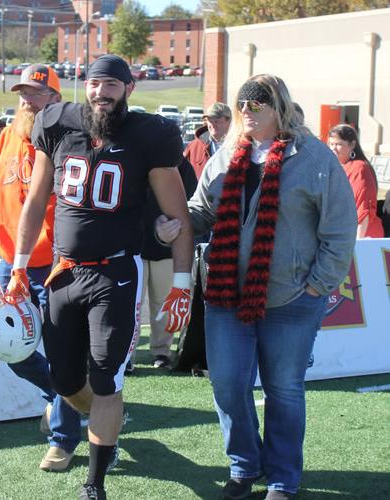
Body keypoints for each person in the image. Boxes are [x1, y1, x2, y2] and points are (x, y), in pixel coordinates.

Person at [157, 74, 357, 499]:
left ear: (279, 105)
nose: (247, 108)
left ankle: (283, 478)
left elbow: (339, 231)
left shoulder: (315, 158)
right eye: (242, 101)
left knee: (283, 390)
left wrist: (317, 286)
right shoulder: (226, 155)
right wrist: (168, 226)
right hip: (227, 295)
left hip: (292, 298)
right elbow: (201, 212)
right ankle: (244, 467)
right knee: (227, 384)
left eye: (258, 101)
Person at [6, 54, 194, 500]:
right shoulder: (56, 123)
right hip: (64, 272)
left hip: (115, 274)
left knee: (107, 379)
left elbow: (178, 213)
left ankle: (95, 481)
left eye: (112, 84)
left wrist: (182, 283)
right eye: (94, 83)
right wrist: (17, 264)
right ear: (83, 86)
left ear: (129, 89)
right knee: (66, 381)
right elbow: (34, 204)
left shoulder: (149, 134)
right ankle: (108, 418)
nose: (101, 92)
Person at [0, 63, 82, 473]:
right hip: (11, 263)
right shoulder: (7, 135)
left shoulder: (70, 139)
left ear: (55, 99)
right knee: (10, 349)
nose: (27, 100)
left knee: (61, 350)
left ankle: (64, 438)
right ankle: (65, 396)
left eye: (37, 94)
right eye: (23, 92)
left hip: (54, 263)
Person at [133, 158, 197, 371]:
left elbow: (191, 200)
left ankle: (161, 352)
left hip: (168, 245)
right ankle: (126, 355)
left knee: (163, 303)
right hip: (134, 244)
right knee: (131, 305)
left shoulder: (180, 163)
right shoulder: (133, 156)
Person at [328, 124, 384, 238]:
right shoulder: (338, 167)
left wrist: (358, 243)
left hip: (362, 234)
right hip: (343, 234)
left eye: (339, 144)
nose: (333, 148)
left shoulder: (359, 168)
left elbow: (363, 209)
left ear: (352, 144)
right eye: (331, 144)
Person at [183, 102, 232, 179]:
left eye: (216, 121)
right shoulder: (194, 146)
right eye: (209, 120)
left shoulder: (240, 146)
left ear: (229, 121)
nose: (212, 125)